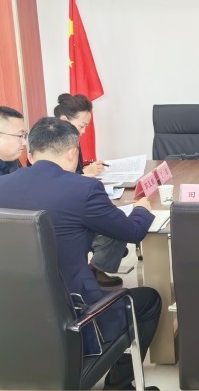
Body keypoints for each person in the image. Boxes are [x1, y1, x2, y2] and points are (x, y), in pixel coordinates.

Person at [0, 117, 160, 390]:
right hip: (74, 312)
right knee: (149, 299)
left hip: (14, 309)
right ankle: (119, 385)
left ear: (30, 155)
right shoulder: (84, 188)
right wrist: (142, 209)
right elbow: (133, 232)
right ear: (72, 153)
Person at [55, 93, 124, 287]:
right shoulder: (50, 145)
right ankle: (93, 270)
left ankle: (95, 269)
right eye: (82, 126)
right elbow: (57, 181)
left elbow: (72, 173)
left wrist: (86, 170)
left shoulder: (71, 140)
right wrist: (85, 175)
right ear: (64, 120)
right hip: (63, 211)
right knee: (114, 224)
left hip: (73, 201)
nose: (84, 132)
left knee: (115, 218)